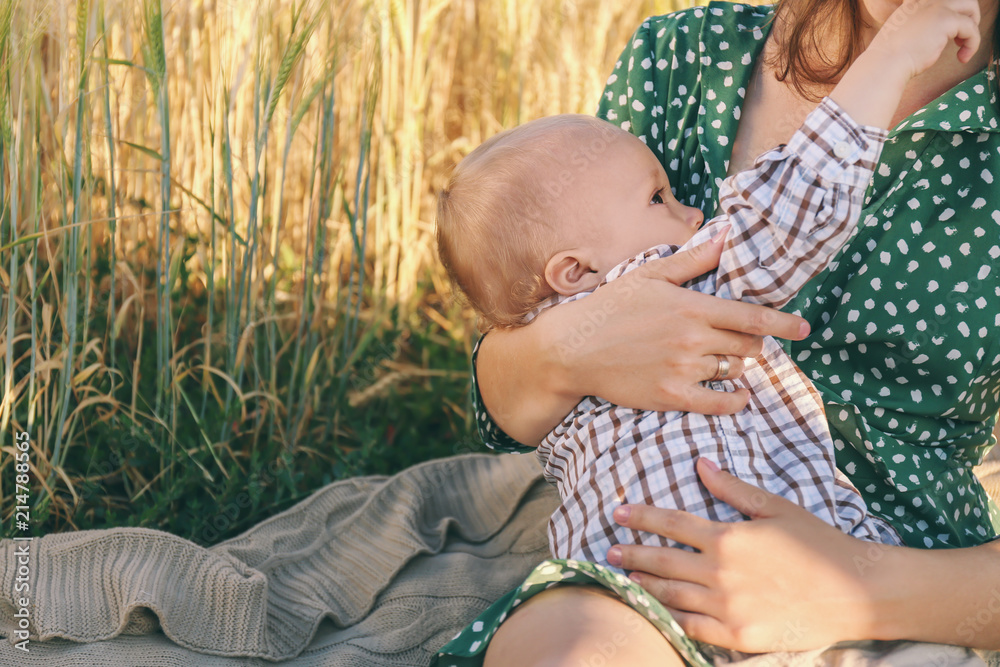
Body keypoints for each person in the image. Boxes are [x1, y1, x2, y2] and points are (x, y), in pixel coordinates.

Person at [434, 0, 1000, 665]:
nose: (692, 210)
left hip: (894, 572)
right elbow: (507, 391)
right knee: (565, 647)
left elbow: (787, 215)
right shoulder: (683, 62)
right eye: (661, 199)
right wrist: (573, 347)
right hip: (640, 579)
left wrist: (859, 586)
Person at [436, 43, 918, 577]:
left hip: (619, 572)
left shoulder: (548, 344)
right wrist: (890, 59)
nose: (692, 214)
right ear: (576, 272)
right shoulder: (676, 280)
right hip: (770, 562)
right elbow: (794, 207)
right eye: (657, 198)